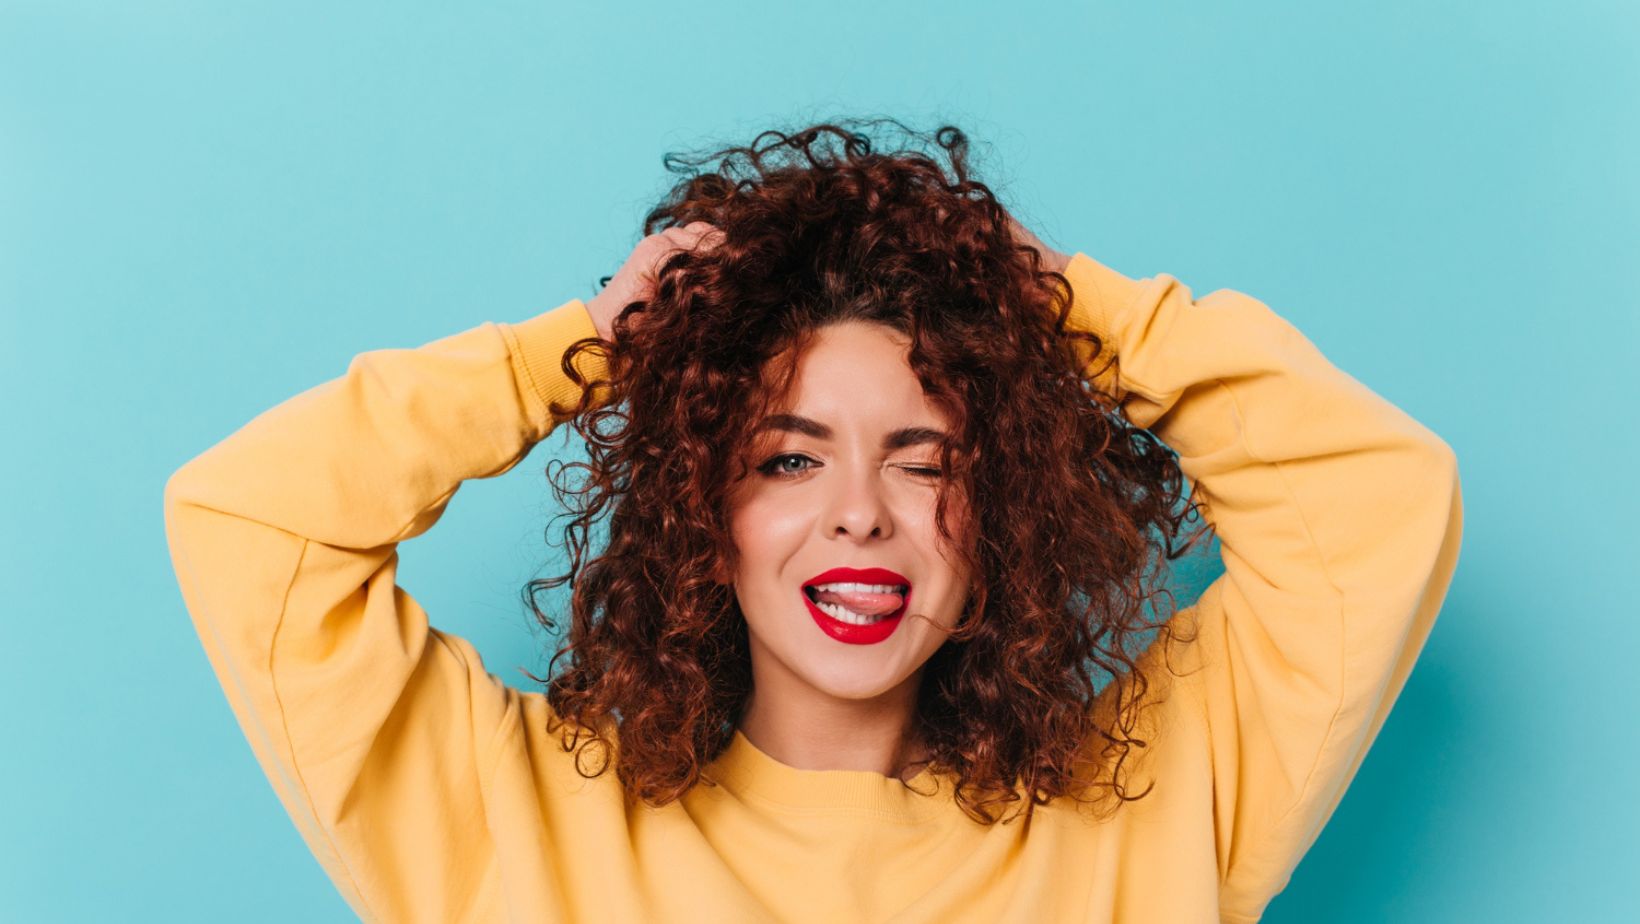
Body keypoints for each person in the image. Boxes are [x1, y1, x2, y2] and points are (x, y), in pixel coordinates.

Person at [163, 120, 1463, 923]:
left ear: (999, 503)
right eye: (789, 461)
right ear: (701, 509)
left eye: (923, 459)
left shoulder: (1157, 804)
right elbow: (248, 521)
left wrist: (1070, 308)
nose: (858, 517)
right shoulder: (522, 830)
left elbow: (1377, 497)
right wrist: (579, 351)